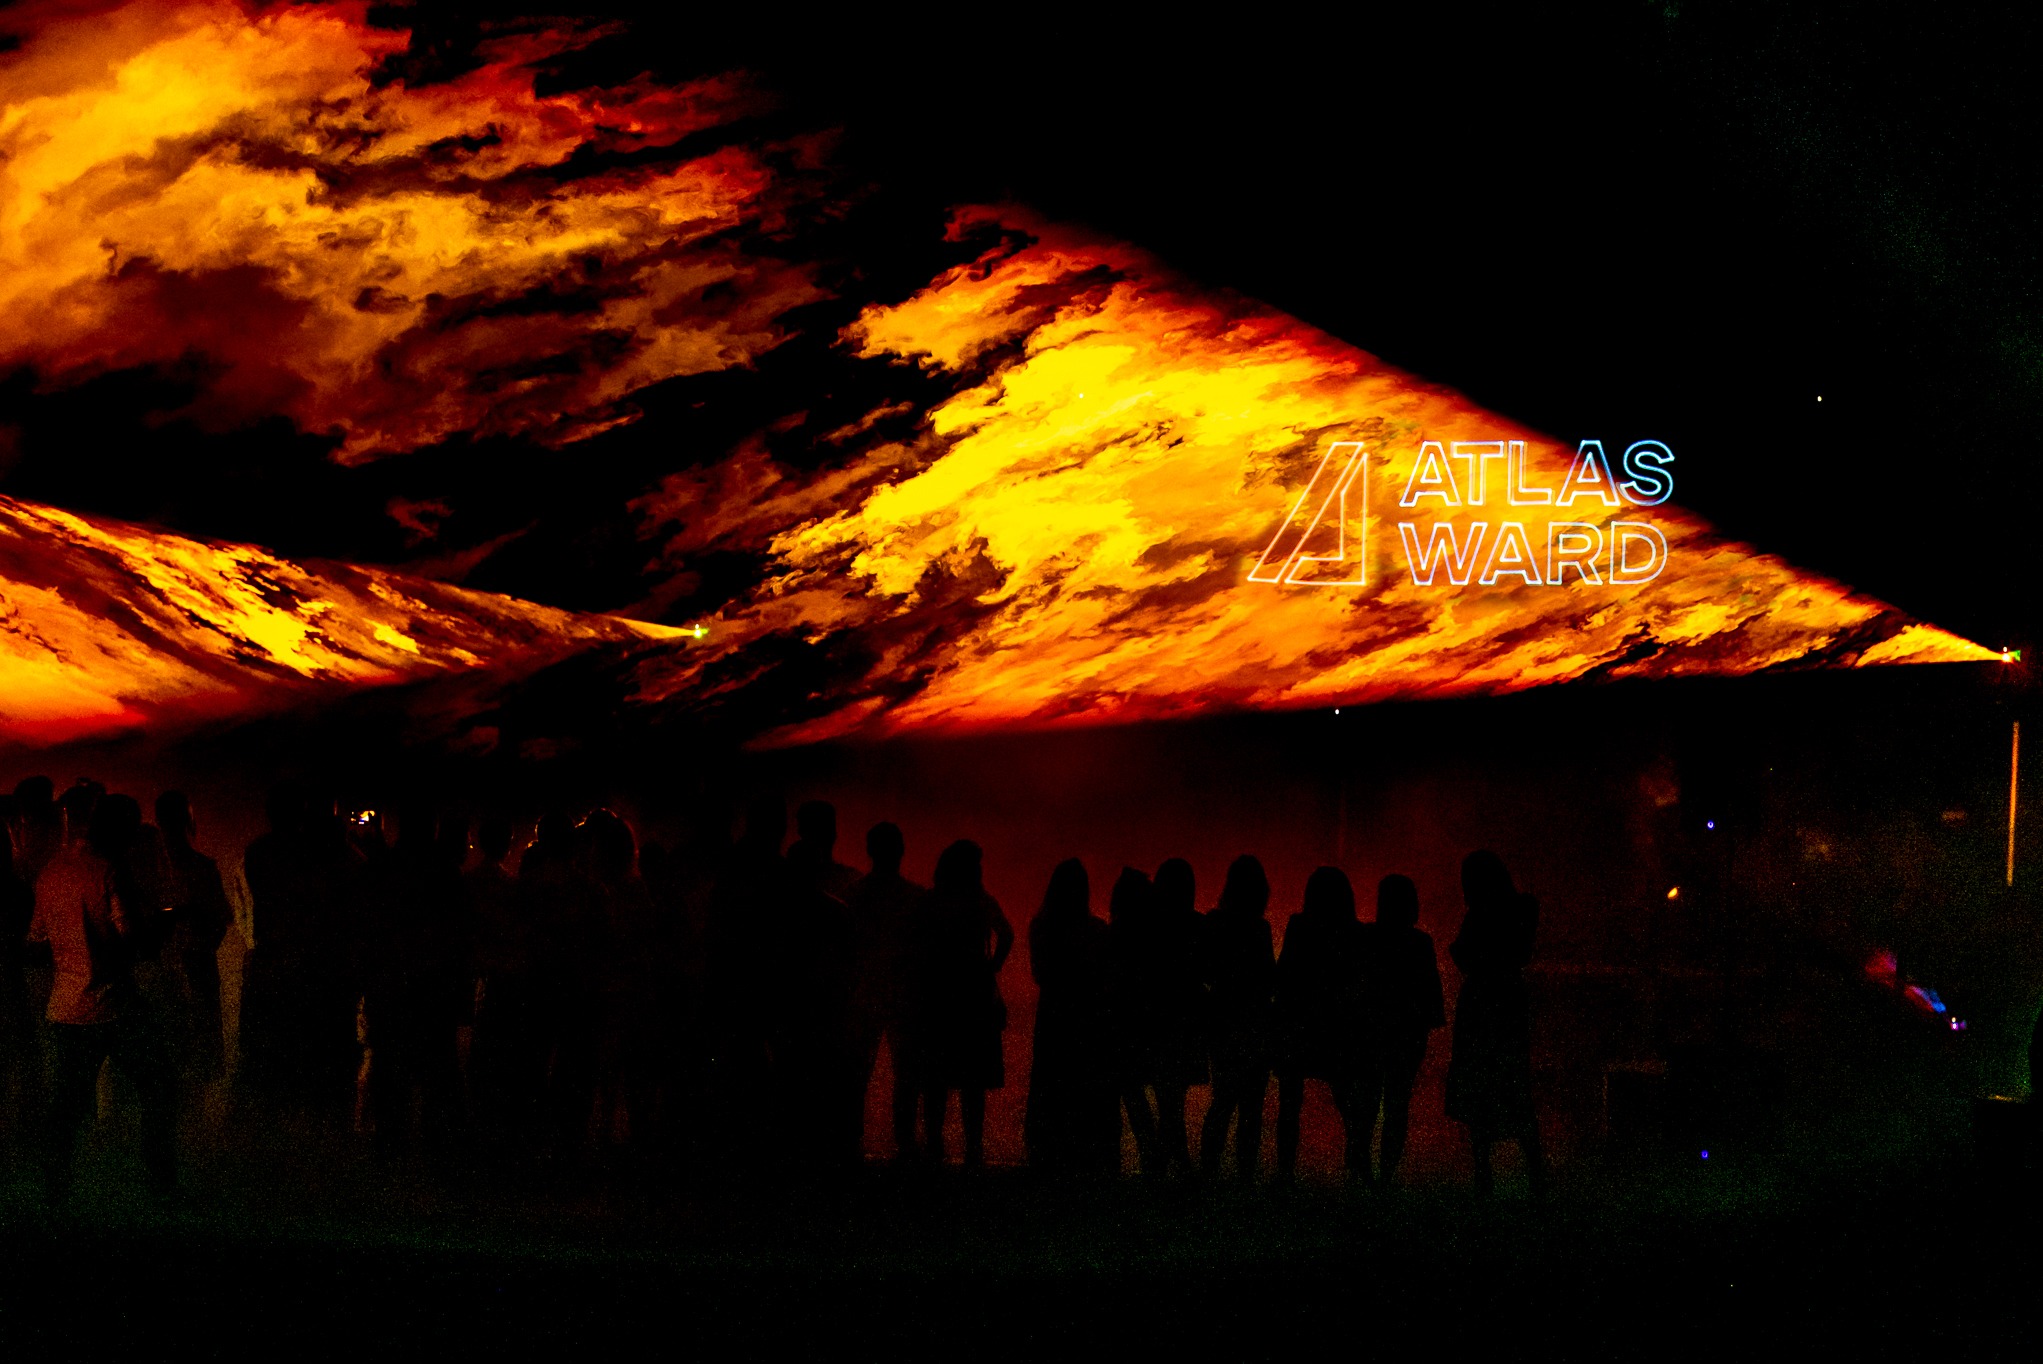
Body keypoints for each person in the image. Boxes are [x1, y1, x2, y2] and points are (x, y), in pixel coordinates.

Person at [29, 787, 178, 1197]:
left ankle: (53, 1186)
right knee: (161, 1086)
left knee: (67, 1103)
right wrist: (165, 925)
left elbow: (37, 938)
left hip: (66, 1005)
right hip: (112, 1003)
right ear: (120, 830)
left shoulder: (51, 871)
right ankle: (160, 1181)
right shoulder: (110, 869)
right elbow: (131, 937)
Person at [906, 840, 1013, 1168]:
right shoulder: (980, 900)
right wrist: (991, 966)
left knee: (936, 1076)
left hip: (937, 993)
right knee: (973, 1079)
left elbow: (913, 942)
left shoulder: (930, 901)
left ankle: (934, 1144)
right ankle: (974, 1147)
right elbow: (1006, 934)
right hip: (973, 994)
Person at [1444, 850, 1546, 1196]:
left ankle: (1485, 1174)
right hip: (1506, 1001)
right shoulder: (1522, 908)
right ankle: (1534, 1173)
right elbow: (1519, 952)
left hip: (1483, 1001)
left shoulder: (1480, 914)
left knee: (1485, 1088)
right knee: (1511, 1086)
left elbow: (1467, 956)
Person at [1274, 866, 1372, 1182]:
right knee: (1346, 1098)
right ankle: (1359, 1164)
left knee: (1290, 1103)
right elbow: (1360, 982)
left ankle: (1285, 1171)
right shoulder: (1356, 932)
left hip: (1300, 1023)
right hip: (1338, 1026)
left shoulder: (1300, 926)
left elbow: (1286, 974)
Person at [1024, 858, 1118, 1174]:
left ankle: (1047, 1155)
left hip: (1054, 1017)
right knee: (1083, 1088)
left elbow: (1041, 974)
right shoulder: (1097, 930)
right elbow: (1107, 977)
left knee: (1051, 1084)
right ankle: (1086, 1155)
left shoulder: (1040, 927)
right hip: (1087, 1020)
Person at [1359, 873, 1445, 1185]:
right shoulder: (1420, 942)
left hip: (1372, 1031)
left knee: (1367, 1101)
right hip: (1408, 1033)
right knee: (1397, 1105)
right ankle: (1384, 1174)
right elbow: (1429, 991)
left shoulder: (1367, 937)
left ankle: (1362, 1165)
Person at [847, 821, 924, 1161]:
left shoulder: (854, 895)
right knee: (906, 1073)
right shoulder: (915, 898)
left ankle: (850, 1136)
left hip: (865, 991)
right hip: (903, 994)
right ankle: (904, 1140)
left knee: (858, 1070)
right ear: (901, 851)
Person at [1200, 855, 1276, 1182]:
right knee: (1251, 1107)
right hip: (1255, 1020)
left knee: (1223, 1100)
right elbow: (1269, 978)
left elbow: (1203, 969)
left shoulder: (1214, 923)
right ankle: (1245, 1175)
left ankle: (1208, 1172)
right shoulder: (1260, 928)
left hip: (1223, 1019)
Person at [155, 792, 232, 1083]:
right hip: (191, 965)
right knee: (195, 1051)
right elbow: (220, 919)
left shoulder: (153, 868)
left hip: (166, 967)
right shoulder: (200, 867)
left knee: (174, 1052)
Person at [1143, 857, 1208, 1176]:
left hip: (1156, 1017)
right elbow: (1208, 970)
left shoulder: (1149, 923)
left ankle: (1165, 1162)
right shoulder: (1197, 924)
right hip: (1186, 1018)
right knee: (1174, 1097)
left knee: (1167, 1097)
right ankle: (1176, 1163)